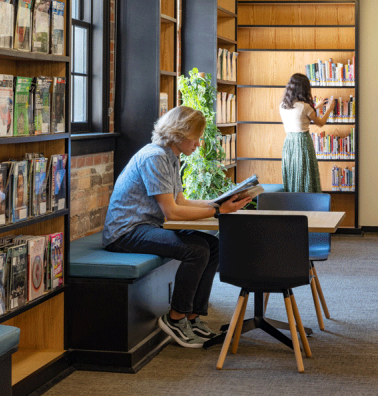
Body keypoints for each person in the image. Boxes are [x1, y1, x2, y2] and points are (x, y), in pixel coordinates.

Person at [102, 105, 251, 349]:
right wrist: (217, 211)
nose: (198, 143)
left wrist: (220, 202)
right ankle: (175, 318)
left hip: (148, 226)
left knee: (211, 245)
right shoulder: (155, 157)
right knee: (197, 250)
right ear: (179, 134)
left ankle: (192, 317)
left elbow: (180, 201)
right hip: (126, 232)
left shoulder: (171, 157)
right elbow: (171, 212)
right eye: (196, 137)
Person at [280, 73, 336, 192]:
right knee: (306, 175)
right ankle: (308, 202)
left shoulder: (283, 106)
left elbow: (299, 118)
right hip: (302, 143)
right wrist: (328, 110)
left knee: (293, 174)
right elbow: (320, 123)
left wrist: (316, 108)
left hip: (289, 143)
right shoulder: (305, 107)